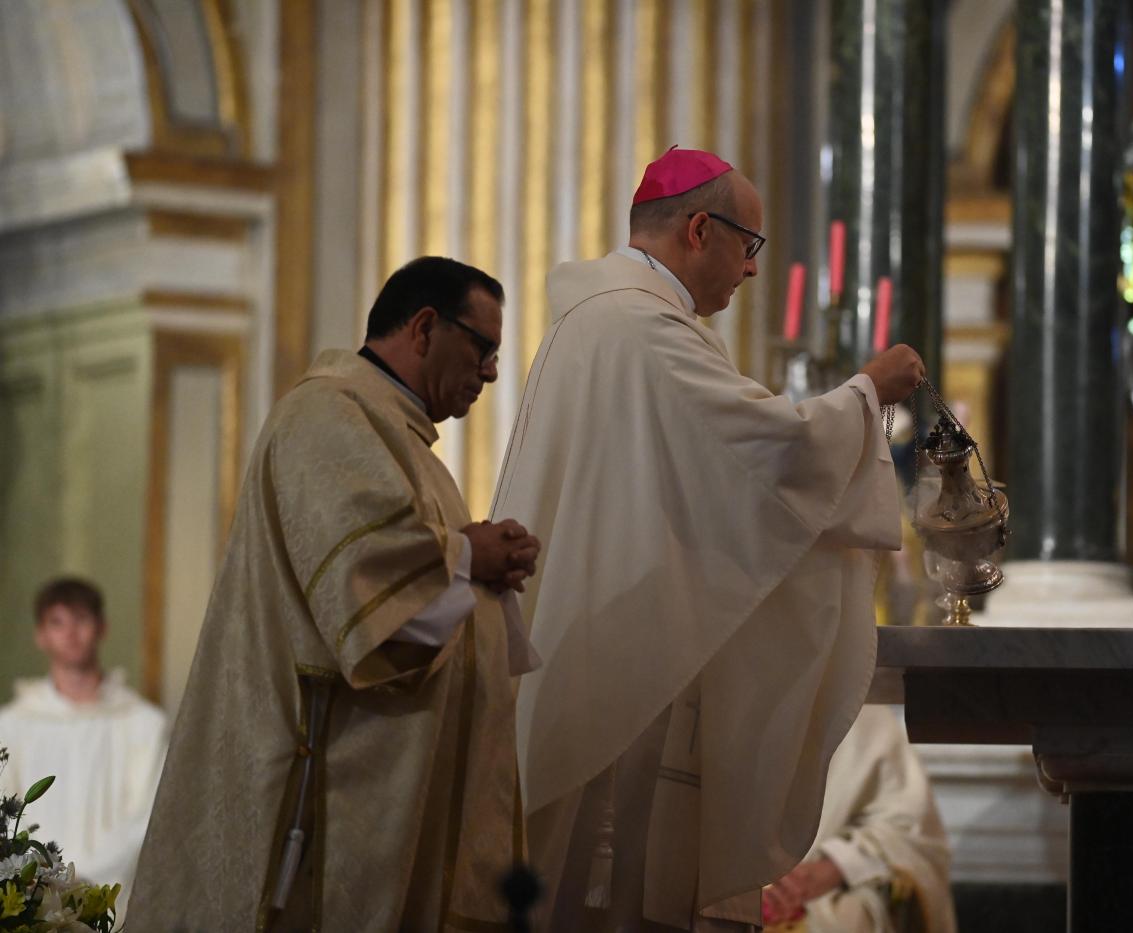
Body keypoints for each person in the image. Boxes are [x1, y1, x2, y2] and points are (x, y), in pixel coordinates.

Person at [492, 147, 925, 930]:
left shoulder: (596, 321)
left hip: (596, 631)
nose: (752, 270)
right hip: (618, 657)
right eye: (749, 246)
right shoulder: (640, 329)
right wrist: (869, 392)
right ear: (700, 228)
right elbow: (774, 453)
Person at [127, 257, 542, 931]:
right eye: (483, 347)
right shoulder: (326, 417)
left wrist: (481, 562)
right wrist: (469, 555)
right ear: (425, 327)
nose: (492, 371)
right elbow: (371, 605)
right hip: (322, 791)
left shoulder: (402, 442)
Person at [0, 577, 167, 917]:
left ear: (101, 627)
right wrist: (41, 885)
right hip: (33, 903)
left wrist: (85, 881)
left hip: (116, 900)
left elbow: (148, 816)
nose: (71, 633)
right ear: (41, 635)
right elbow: (6, 814)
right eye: (57, 622)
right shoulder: (12, 724)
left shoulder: (143, 724)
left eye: (81, 620)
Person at [761, 705, 957, 933]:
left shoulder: (863, 708)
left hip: (821, 892)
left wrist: (836, 866)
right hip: (721, 892)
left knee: (848, 918)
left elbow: (910, 831)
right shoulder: (714, 699)